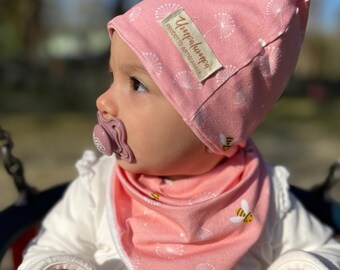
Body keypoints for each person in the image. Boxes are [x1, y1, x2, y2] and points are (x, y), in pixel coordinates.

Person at [19, 0, 340, 269]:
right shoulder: (97, 188)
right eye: (112, 75)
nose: (103, 100)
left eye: (137, 84)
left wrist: (302, 263)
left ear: (209, 129)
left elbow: (329, 250)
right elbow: (48, 247)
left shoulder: (263, 196)